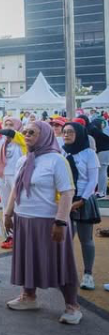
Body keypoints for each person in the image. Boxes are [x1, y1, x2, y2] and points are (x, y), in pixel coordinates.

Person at [3, 120, 81, 324]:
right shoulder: (24, 160)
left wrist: (61, 222)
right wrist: (8, 214)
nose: (27, 135)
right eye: (26, 132)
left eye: (32, 133)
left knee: (60, 263)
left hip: (49, 222)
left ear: (45, 136)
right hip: (24, 220)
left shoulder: (56, 160)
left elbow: (67, 193)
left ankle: (72, 306)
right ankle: (29, 297)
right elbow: (15, 189)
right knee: (28, 260)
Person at [62, 121, 101, 291]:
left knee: (86, 239)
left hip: (84, 198)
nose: (66, 135)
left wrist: (82, 200)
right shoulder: (62, 152)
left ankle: (88, 274)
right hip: (66, 198)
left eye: (70, 132)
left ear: (79, 134)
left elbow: (93, 180)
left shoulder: (89, 154)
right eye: (64, 132)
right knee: (64, 238)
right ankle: (64, 272)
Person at [0, 117, 26, 250]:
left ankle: (22, 235)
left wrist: (4, 131)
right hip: (3, 178)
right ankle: (10, 236)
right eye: (6, 124)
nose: (8, 127)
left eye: (11, 125)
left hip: (17, 178)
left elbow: (16, 136)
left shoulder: (22, 140)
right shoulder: (2, 142)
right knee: (6, 207)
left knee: (18, 206)